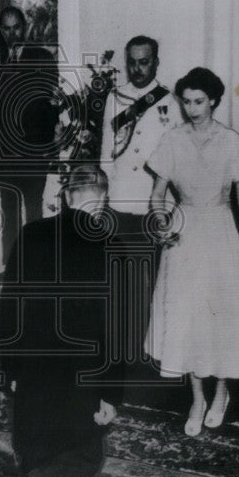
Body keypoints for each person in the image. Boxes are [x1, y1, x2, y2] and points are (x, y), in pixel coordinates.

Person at [0, 164, 129, 477]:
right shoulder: (111, 247)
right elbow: (116, 330)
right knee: (90, 456)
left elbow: (11, 307)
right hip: (81, 382)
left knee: (35, 446)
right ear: (102, 202)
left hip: (32, 379)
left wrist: (11, 372)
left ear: (67, 196)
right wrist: (110, 394)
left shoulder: (30, 234)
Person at [144, 67, 239, 434]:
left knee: (221, 315)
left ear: (214, 100)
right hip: (185, 233)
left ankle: (221, 393)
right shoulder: (172, 140)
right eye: (186, 101)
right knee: (187, 315)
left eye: (199, 101)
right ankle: (197, 398)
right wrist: (163, 226)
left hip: (221, 233)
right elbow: (157, 196)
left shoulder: (231, 141)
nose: (191, 108)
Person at [98, 34, 176, 360]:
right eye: (132, 62)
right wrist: (103, 200)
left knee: (154, 281)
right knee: (120, 281)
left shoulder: (171, 102)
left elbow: (175, 158)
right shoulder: (116, 98)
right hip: (119, 201)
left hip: (152, 204)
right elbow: (106, 152)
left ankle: (152, 347)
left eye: (144, 62)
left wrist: (169, 208)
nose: (137, 68)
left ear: (156, 62)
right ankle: (124, 348)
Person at [0, 6, 59, 265]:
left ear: (24, 27)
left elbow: (49, 106)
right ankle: (10, 266)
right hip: (6, 152)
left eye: (16, 27)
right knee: (9, 212)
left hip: (35, 150)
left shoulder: (43, 58)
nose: (12, 34)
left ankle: (36, 267)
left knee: (35, 210)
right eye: (6, 28)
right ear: (0, 29)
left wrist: (43, 143)